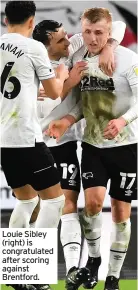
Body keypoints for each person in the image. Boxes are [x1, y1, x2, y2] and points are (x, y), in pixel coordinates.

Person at [46, 7, 138, 290]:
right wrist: (67, 120)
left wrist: (123, 120)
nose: (93, 38)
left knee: (121, 212)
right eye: (87, 31)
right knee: (93, 206)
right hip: (92, 144)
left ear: (109, 34)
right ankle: (94, 260)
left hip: (126, 145)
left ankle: (113, 275)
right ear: (81, 31)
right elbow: (80, 103)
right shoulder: (77, 57)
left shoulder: (128, 59)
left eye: (99, 33)